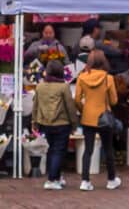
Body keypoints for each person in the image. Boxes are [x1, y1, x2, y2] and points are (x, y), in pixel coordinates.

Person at [72, 52, 120, 193]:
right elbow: (114, 100)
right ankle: (111, 180)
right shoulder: (108, 78)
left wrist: (84, 108)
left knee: (88, 150)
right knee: (108, 149)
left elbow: (76, 100)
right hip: (104, 117)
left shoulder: (82, 77)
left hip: (88, 117)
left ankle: (85, 181)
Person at [33, 63, 75, 191]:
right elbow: (70, 106)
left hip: (45, 123)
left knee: (52, 150)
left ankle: (56, 177)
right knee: (58, 151)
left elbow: (36, 105)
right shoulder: (64, 87)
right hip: (62, 123)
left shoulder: (40, 86)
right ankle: (52, 179)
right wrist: (74, 123)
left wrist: (34, 122)